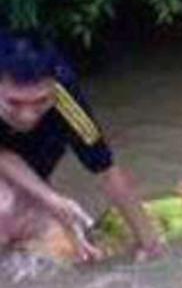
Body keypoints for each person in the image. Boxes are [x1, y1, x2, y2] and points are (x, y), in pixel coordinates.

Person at [0, 34, 163, 264]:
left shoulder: (66, 99)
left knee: (76, 257)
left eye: (40, 101)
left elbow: (107, 170)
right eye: (14, 102)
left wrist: (148, 242)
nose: (27, 116)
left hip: (31, 157)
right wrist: (51, 200)